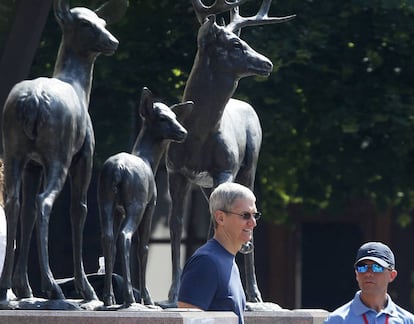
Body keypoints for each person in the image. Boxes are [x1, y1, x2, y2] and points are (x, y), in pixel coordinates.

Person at [178, 182, 260, 324]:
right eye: (245, 215)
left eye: (255, 215)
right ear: (220, 218)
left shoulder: (227, 260)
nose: (253, 223)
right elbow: (189, 320)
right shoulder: (206, 262)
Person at [324, 241, 414, 324]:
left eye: (377, 267)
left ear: (392, 275)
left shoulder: (407, 321)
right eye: (362, 267)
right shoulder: (337, 320)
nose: (368, 273)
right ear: (356, 274)